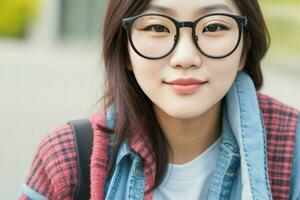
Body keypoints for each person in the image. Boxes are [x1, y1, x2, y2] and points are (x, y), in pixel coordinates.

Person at [20, 0, 300, 199]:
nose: (185, 58)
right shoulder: (66, 159)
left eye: (214, 27)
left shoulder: (292, 148)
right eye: (157, 28)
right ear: (125, 48)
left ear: (244, 47)